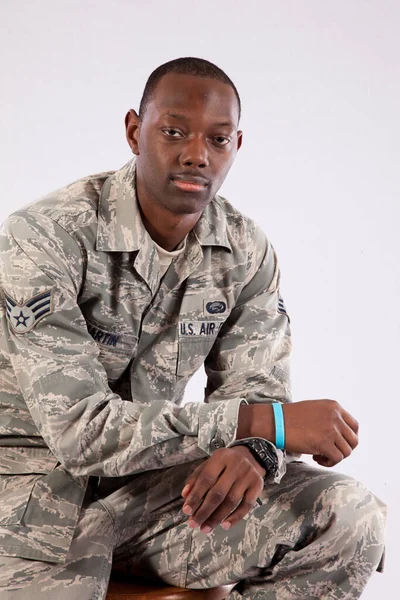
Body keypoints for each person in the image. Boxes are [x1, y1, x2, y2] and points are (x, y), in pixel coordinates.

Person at [0, 57, 385, 599]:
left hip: (157, 501)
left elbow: (260, 387)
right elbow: (79, 434)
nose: (196, 155)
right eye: (174, 131)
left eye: (218, 139)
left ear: (237, 146)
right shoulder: (43, 237)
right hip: (28, 505)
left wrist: (256, 451)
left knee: (347, 516)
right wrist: (266, 424)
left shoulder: (244, 251)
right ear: (135, 131)